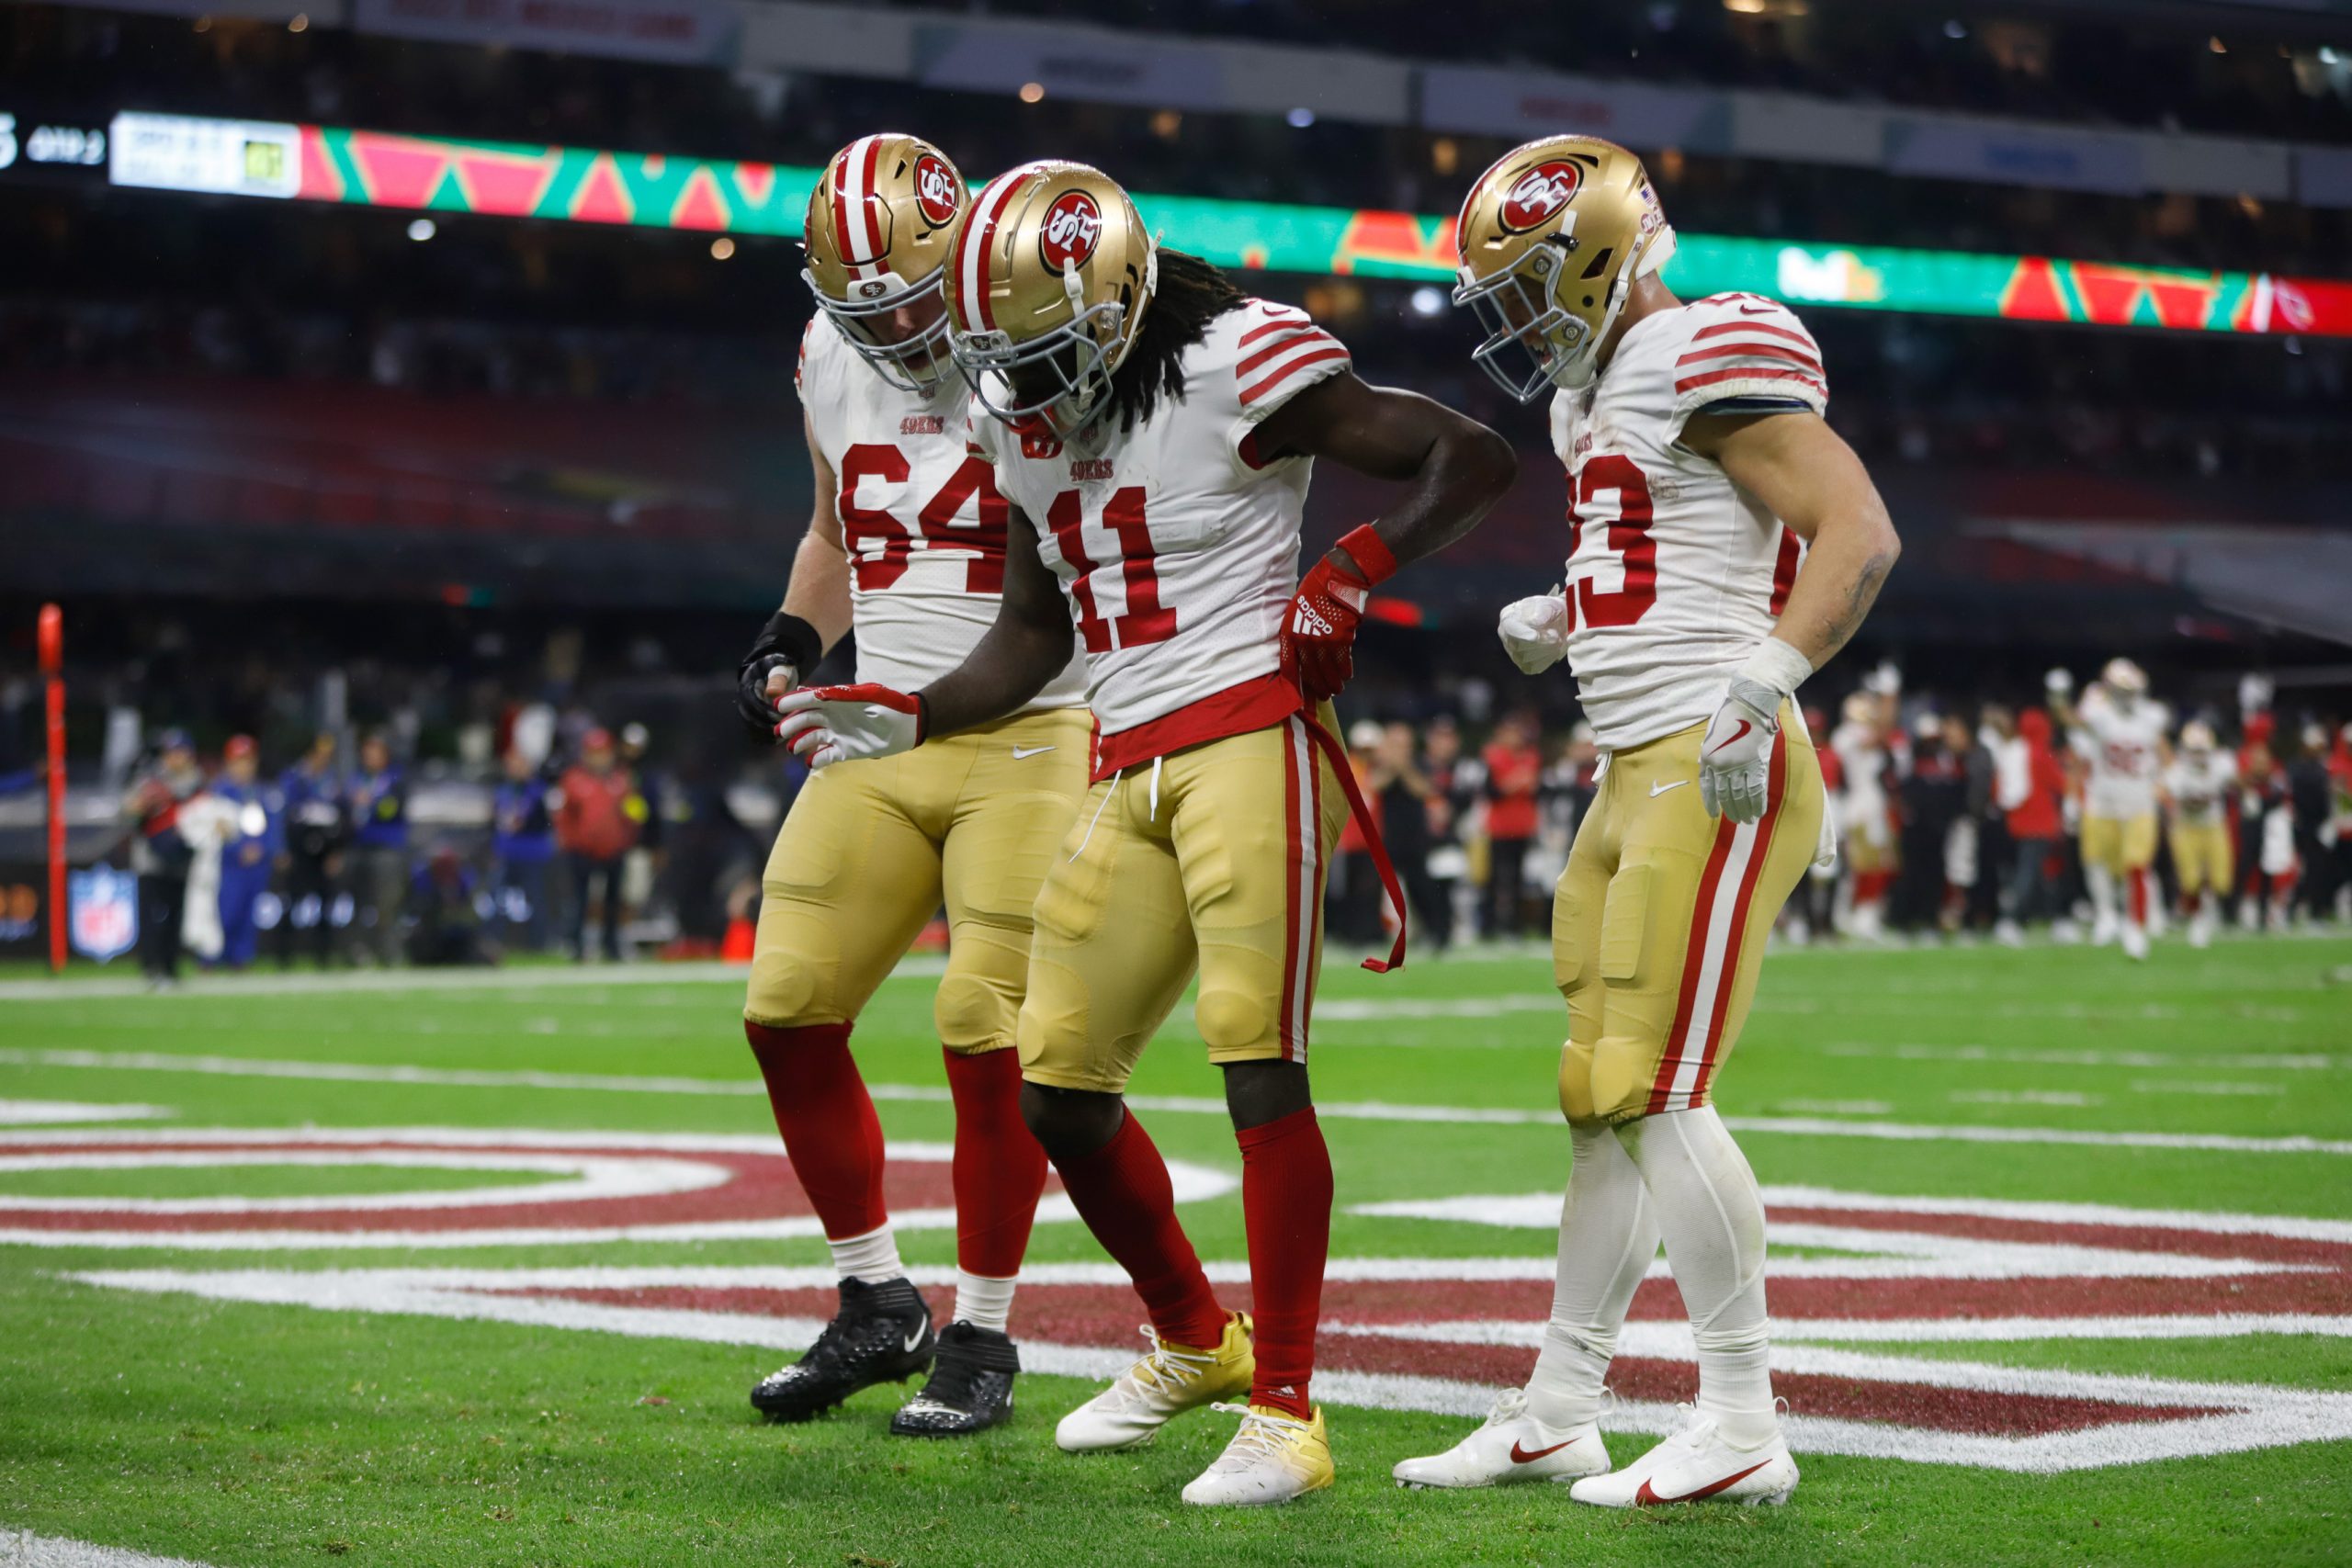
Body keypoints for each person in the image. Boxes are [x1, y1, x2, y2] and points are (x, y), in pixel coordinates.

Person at [777, 157, 1515, 1505]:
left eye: (1047, 348)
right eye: (1003, 354)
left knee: (1258, 1067)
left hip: (1248, 736)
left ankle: (1289, 1406)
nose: (1024, 381)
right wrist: (913, 713)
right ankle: (1194, 1335)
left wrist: (1349, 570)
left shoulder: (1237, 356)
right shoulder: (1017, 409)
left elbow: (1469, 451)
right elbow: (1031, 632)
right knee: (1056, 1078)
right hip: (1125, 753)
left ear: (1114, 303)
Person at [1402, 134, 1897, 1508]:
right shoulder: (1594, 393)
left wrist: (1764, 678)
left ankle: (1741, 1413)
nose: (1510, 323)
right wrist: (1571, 617)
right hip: (1631, 761)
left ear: (1607, 258)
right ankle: (1561, 1405)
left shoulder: (1709, 348)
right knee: (1594, 1097)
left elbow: (1854, 532)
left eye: (1524, 290)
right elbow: (1674, 544)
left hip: (1718, 755)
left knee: (1659, 1087)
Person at [733, 134, 1092, 1440]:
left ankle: (987, 1325)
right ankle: (876, 1297)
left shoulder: (1045, 338)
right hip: (881, 729)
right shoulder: (829, 353)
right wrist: (789, 631)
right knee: (785, 1004)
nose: (886, 334)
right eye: (860, 309)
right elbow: (835, 524)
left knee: (983, 1022)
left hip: (1039, 730)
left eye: (907, 303)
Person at [2049, 660, 2167, 960]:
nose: (2126, 696)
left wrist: (2165, 783)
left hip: (2139, 802)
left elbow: (2166, 754)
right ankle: (2106, 916)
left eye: (2130, 690)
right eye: (2121, 689)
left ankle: (2135, 926)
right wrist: (2058, 698)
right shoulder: (2099, 715)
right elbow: (2070, 721)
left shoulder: (2152, 717)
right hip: (2102, 802)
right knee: (2097, 862)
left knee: (2136, 865)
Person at [123, 729, 204, 987]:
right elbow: (127, 810)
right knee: (151, 915)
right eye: (170, 753)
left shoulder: (198, 781)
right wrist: (141, 804)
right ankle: (150, 966)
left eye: (179, 752)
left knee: (175, 916)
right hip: (151, 858)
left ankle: (170, 966)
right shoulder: (149, 778)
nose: (174, 758)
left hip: (181, 859)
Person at [554, 728, 638, 962]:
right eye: (594, 752)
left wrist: (627, 838)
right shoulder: (573, 780)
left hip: (614, 850)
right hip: (583, 852)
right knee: (580, 901)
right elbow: (564, 817)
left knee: (613, 902)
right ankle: (576, 947)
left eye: (603, 752)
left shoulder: (621, 779)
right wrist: (570, 843)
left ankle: (611, 946)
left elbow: (632, 812)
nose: (599, 758)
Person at [1994, 706, 2070, 943]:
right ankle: (2011, 920)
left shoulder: (2014, 750)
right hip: (2040, 821)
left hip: (2019, 820)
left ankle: (2054, 918)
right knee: (2030, 873)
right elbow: (2059, 783)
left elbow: (1998, 788)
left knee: (2040, 873)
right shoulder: (2039, 752)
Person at [277, 732, 346, 968]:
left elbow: (341, 817)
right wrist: (283, 849)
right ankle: (284, 956)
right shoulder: (293, 778)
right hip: (298, 849)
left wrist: (336, 851)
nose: (323, 759)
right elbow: (284, 816)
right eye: (319, 754)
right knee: (293, 902)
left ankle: (323, 956)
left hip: (324, 851)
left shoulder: (331, 781)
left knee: (325, 903)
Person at [2164, 719, 2236, 948]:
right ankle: (2198, 919)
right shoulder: (2177, 772)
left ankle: (2207, 914)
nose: (2197, 756)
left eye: (2200, 750)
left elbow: (2236, 781)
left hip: (2214, 825)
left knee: (2221, 880)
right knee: (2190, 880)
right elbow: (2173, 796)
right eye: (2193, 751)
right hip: (2186, 827)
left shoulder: (2222, 764)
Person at [209, 736, 277, 970]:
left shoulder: (263, 791)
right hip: (229, 863)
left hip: (257, 864)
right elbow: (215, 828)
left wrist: (266, 849)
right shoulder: (220, 792)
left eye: (247, 761)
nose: (244, 766)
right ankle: (212, 956)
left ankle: (240, 959)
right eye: (238, 761)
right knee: (225, 910)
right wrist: (238, 848)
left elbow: (273, 825)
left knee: (249, 913)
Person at [345, 732, 409, 966]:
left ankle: (391, 954)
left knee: (386, 905)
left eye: (375, 754)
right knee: (358, 904)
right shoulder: (357, 779)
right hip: (360, 847)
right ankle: (360, 953)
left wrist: (371, 802)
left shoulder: (395, 779)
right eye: (367, 754)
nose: (369, 758)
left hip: (386, 849)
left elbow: (390, 810)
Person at [1480, 710, 1542, 940]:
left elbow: (1536, 788)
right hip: (1499, 828)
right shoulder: (1492, 757)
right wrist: (1515, 782)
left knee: (1517, 879)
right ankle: (1489, 926)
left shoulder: (1530, 756)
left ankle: (1514, 926)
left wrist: (1513, 783)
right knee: (1494, 879)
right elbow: (1491, 792)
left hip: (1523, 827)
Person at [490, 748, 559, 951]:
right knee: (497, 901)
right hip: (506, 851)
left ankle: (539, 944)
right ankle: (495, 943)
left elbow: (546, 822)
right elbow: (495, 822)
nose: (516, 769)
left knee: (536, 900)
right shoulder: (503, 790)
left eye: (520, 764)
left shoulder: (539, 790)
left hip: (532, 853)